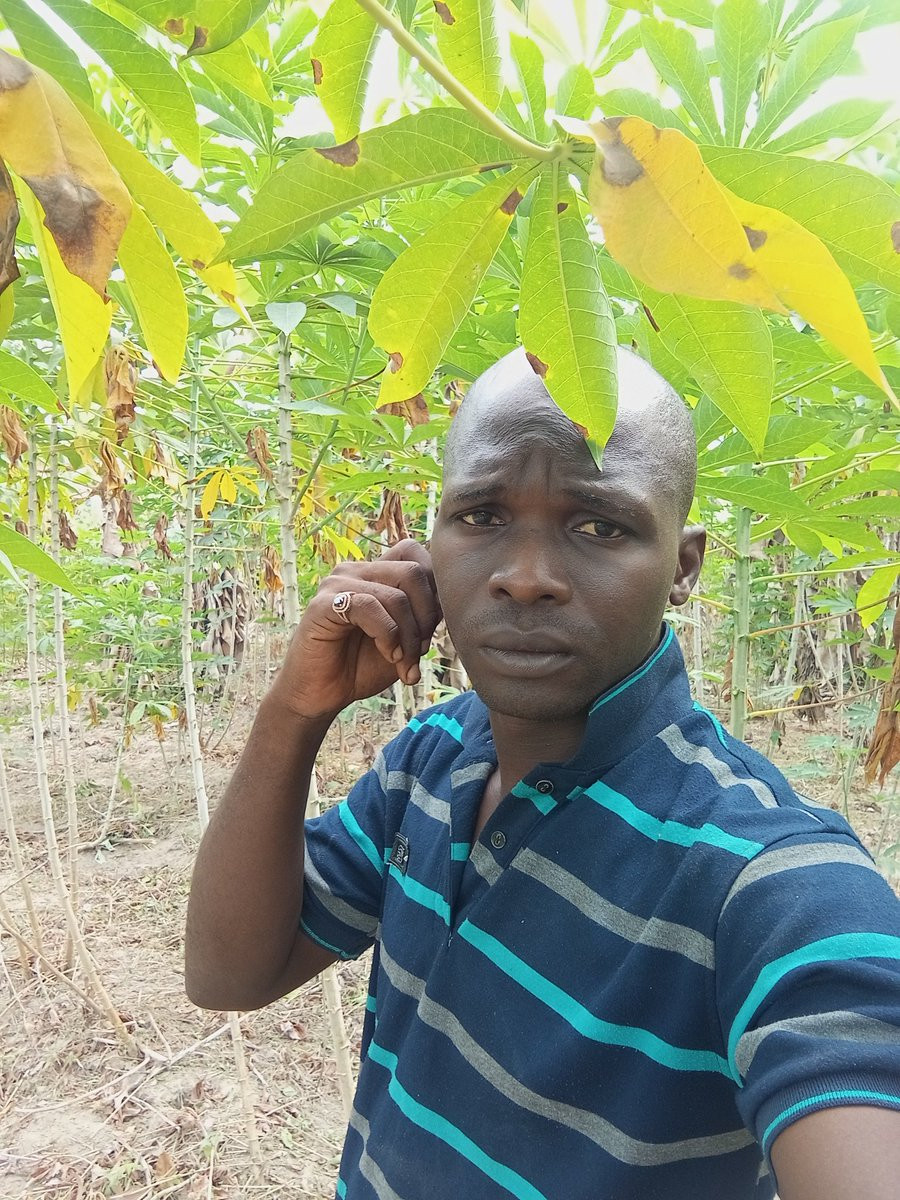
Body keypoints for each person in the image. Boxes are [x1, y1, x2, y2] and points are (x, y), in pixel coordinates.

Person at [185, 347, 900, 1200]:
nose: (525, 579)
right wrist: (294, 711)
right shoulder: (430, 758)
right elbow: (231, 976)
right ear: (429, 547)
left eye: (599, 526)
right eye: (482, 516)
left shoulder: (767, 877)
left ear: (683, 566)